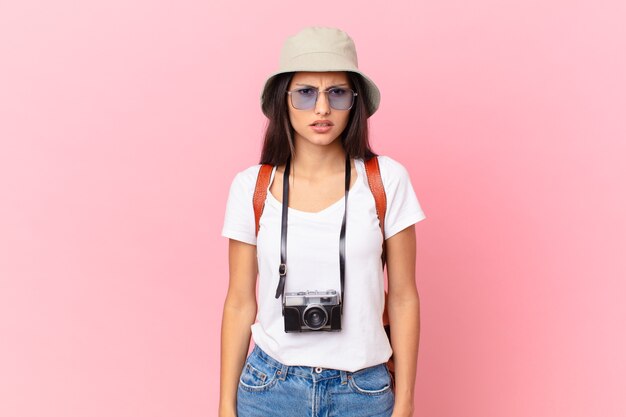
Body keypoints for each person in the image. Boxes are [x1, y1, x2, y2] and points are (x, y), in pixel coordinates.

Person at [219, 26, 426, 417]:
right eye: (306, 92)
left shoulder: (387, 180)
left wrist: (406, 402)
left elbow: (402, 296)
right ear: (284, 99)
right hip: (269, 389)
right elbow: (239, 301)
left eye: (337, 92)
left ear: (355, 101)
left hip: (362, 391)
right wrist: (225, 407)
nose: (322, 109)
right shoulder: (251, 187)